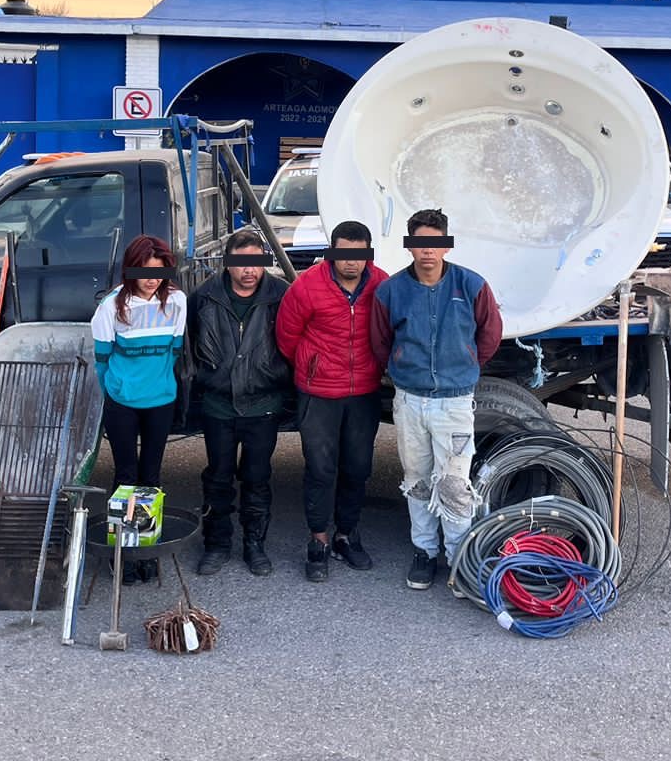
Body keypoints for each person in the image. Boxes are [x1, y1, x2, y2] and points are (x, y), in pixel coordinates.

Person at [370, 208, 503, 592]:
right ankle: (424, 552)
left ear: (445, 244)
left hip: (454, 401)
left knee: (454, 483)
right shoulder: (391, 291)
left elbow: (490, 334)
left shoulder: (471, 286)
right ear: (410, 245)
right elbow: (380, 341)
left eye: (435, 242)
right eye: (420, 243)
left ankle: (459, 557)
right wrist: (401, 370)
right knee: (418, 479)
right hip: (410, 401)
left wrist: (464, 365)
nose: (427, 251)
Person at [275, 220, 389, 583]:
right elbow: (287, 338)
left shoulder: (382, 284)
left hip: (364, 392)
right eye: (344, 254)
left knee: (357, 467)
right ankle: (318, 541)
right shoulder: (307, 286)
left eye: (358, 255)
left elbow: (389, 329)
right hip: (319, 393)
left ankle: (346, 535)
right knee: (321, 470)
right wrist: (314, 367)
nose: (351, 263)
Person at [187, 228, 292, 577]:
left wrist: (278, 376)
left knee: (257, 476)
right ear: (228, 263)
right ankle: (216, 543)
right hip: (218, 403)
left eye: (256, 261)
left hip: (263, 401)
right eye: (241, 262)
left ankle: (254, 544)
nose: (250, 270)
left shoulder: (281, 294)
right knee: (218, 477)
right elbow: (189, 343)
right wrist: (203, 378)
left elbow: (294, 340)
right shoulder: (204, 297)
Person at [92, 234, 187, 584]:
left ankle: (148, 545)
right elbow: (101, 361)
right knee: (125, 478)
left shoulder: (177, 301)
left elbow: (175, 350)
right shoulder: (111, 307)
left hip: (160, 400)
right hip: (122, 402)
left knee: (152, 477)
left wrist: (158, 383)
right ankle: (124, 553)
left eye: (159, 272)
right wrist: (117, 391)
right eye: (144, 271)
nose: (152, 279)